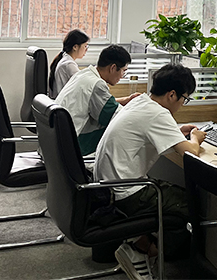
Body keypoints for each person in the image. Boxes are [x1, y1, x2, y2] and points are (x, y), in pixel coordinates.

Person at [94, 63, 204, 280]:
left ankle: (140, 243)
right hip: (128, 192)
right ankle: (142, 250)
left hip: (107, 188)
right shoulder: (158, 114)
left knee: (175, 193)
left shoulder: (141, 102)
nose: (183, 104)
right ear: (172, 95)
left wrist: (176, 131)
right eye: (184, 98)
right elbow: (190, 152)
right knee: (193, 204)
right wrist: (196, 138)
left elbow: (147, 128)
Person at [54, 44, 138, 155]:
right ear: (113, 68)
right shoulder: (97, 85)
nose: (122, 76)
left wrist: (126, 100)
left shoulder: (84, 74)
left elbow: (96, 103)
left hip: (57, 144)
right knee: (126, 130)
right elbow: (116, 116)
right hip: (73, 148)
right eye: (123, 71)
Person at [48, 29, 90, 98]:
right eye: (85, 46)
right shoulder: (69, 64)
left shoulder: (65, 59)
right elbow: (82, 86)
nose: (86, 49)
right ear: (75, 47)